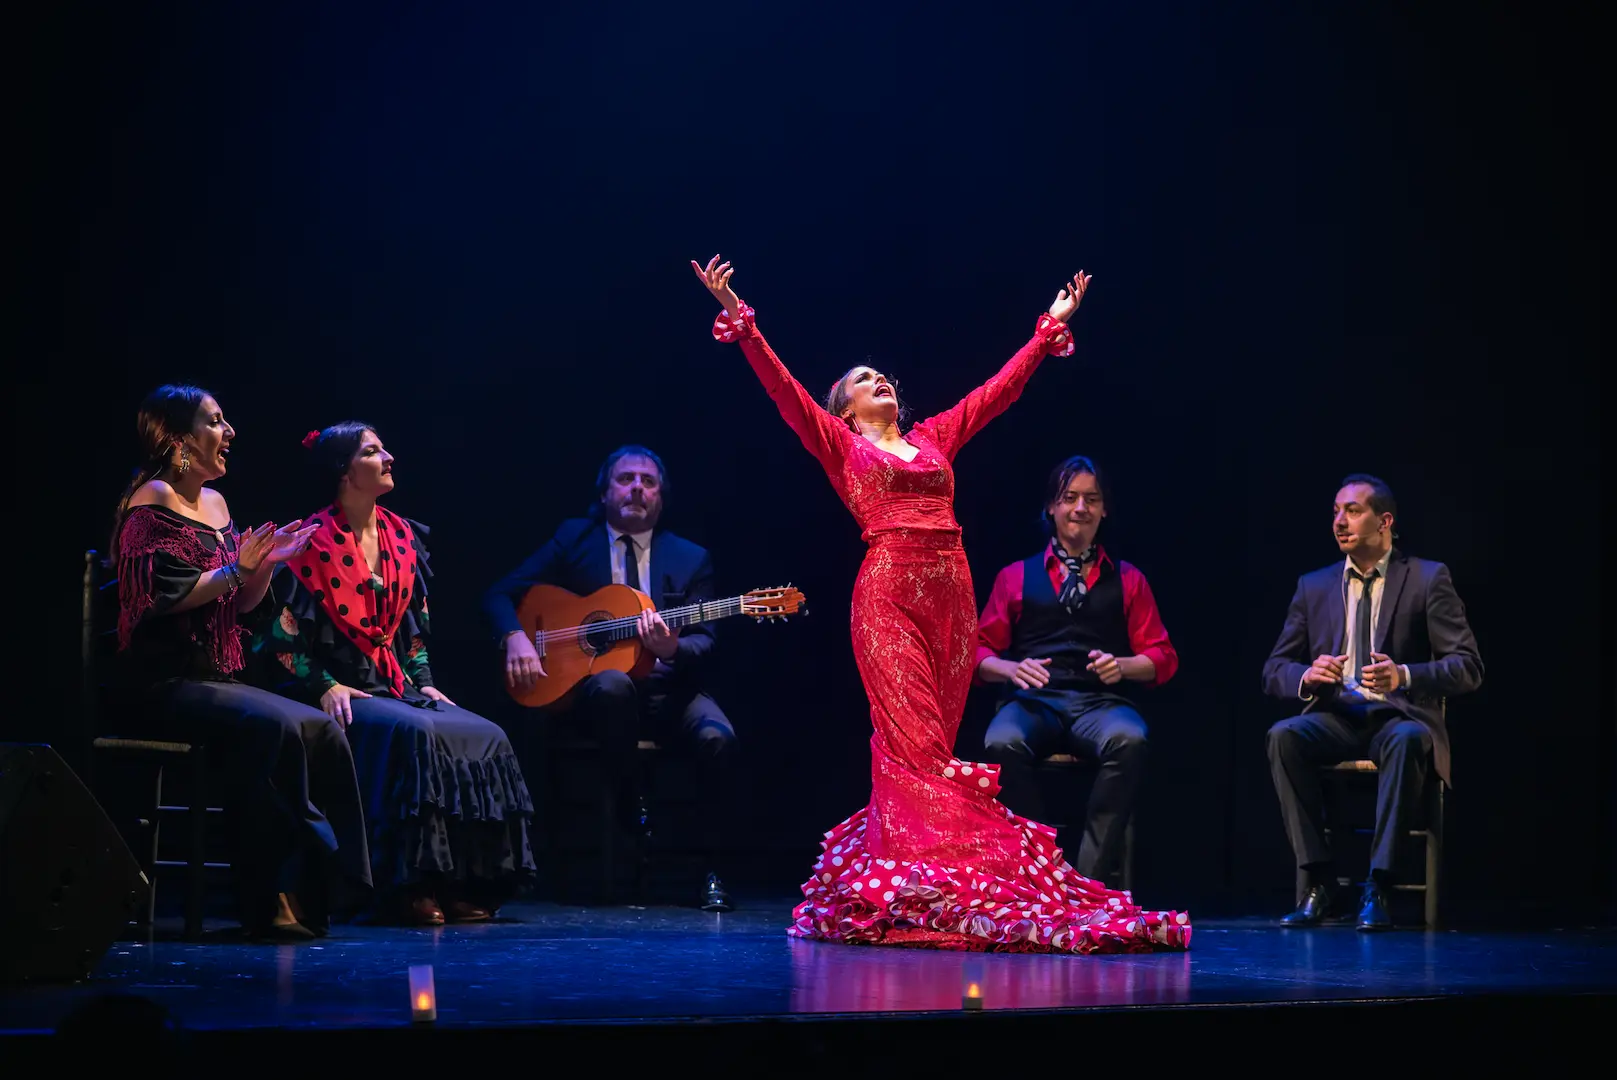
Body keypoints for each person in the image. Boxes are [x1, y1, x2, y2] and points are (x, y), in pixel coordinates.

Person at [691, 254, 1189, 953]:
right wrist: (743, 324)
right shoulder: (837, 444)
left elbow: (993, 394)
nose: (880, 383)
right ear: (844, 410)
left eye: (883, 377)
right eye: (864, 382)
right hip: (888, 594)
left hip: (952, 599)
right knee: (913, 747)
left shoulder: (931, 441)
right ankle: (916, 891)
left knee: (935, 745)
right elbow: (783, 391)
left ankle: (930, 875)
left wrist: (1048, 330)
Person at [249, 423, 536, 926]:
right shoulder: (309, 544)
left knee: (485, 733)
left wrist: (422, 679)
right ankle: (410, 884)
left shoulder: (402, 538)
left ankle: (465, 881)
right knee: (416, 733)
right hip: (339, 686)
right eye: (373, 450)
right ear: (344, 471)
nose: (389, 458)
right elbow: (280, 639)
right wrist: (324, 685)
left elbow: (415, 632)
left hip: (397, 686)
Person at [110, 385, 371, 940]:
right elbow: (166, 595)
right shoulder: (151, 500)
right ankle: (267, 897)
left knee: (321, 729)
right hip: (163, 681)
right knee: (270, 726)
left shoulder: (218, 506)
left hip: (212, 677)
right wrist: (235, 570)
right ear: (181, 439)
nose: (229, 433)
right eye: (216, 421)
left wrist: (266, 564)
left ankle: (318, 890)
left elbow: (239, 603)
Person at [483, 444, 738, 911]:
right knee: (611, 684)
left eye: (648, 481)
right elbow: (500, 593)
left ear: (661, 496)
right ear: (604, 493)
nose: (637, 488)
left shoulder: (690, 557)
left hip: (669, 690)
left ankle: (712, 873)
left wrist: (671, 647)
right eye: (626, 479)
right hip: (592, 701)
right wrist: (515, 637)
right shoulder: (572, 540)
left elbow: (708, 641)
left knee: (719, 737)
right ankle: (629, 802)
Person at [1263, 474, 1482, 930]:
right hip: (1337, 716)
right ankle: (1319, 882)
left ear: (1385, 522)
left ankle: (1378, 884)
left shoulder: (1426, 578)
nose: (1339, 522)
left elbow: (1467, 667)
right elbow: (1274, 669)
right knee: (1283, 737)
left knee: (1405, 741)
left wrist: (1404, 674)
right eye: (1336, 512)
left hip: (1398, 715)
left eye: (1352, 511)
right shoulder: (1315, 586)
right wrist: (1307, 674)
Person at [975, 455, 1178, 887]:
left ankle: (1087, 882)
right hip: (1034, 702)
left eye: (1091, 499)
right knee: (1001, 740)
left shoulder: (1129, 580)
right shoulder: (1015, 576)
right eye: (1070, 498)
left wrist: (1122, 665)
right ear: (1052, 507)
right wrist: (1012, 669)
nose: (1080, 508)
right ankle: (1042, 871)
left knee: (1130, 738)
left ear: (1105, 510)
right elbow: (977, 652)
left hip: (1098, 704)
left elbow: (1161, 657)